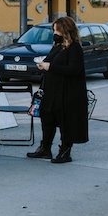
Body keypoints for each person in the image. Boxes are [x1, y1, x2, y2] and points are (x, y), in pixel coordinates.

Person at [28, 16, 88, 163]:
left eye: (57, 30)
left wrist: (51, 67)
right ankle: (45, 148)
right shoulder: (58, 46)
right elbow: (51, 61)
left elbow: (74, 69)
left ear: (65, 31)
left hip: (67, 93)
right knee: (47, 118)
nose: (54, 33)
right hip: (51, 91)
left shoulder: (75, 48)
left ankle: (65, 151)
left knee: (65, 122)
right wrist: (43, 65)